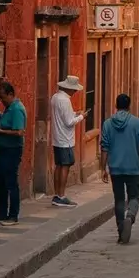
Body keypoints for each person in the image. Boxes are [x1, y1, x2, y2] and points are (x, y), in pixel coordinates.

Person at [100, 93, 139, 243]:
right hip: (132, 166)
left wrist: (103, 168)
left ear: (116, 105)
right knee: (134, 196)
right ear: (129, 106)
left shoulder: (107, 124)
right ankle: (130, 216)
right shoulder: (137, 123)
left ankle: (121, 229)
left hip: (115, 167)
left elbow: (104, 147)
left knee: (119, 199)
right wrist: (136, 148)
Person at [0, 81, 26, 223]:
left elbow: (19, 131)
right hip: (4, 148)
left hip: (12, 150)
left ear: (11, 94)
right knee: (1, 180)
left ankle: (13, 214)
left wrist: (0, 131)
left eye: (3, 97)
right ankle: (2, 212)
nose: (2, 100)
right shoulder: (9, 108)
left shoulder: (16, 109)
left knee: (10, 181)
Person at [49, 76, 82, 205]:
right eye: (74, 90)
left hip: (57, 137)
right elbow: (69, 122)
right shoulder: (65, 100)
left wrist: (74, 113)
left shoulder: (55, 97)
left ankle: (57, 194)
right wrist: (81, 117)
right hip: (66, 139)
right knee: (65, 166)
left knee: (59, 165)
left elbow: (63, 116)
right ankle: (61, 196)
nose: (75, 93)